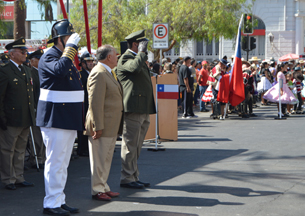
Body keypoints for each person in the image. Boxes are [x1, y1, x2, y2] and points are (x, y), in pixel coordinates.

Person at [36, 19, 82, 215]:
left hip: (67, 117)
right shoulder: (50, 56)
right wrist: (70, 48)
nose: (72, 41)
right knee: (55, 162)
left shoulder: (64, 57)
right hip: (55, 118)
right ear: (60, 39)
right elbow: (59, 70)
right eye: (68, 38)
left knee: (63, 163)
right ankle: (51, 203)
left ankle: (58, 199)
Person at [116, 30, 156, 189]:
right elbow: (133, 68)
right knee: (130, 145)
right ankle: (127, 177)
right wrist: (141, 52)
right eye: (143, 44)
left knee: (137, 146)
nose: (146, 47)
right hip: (133, 108)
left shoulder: (137, 58)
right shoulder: (126, 57)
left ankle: (133, 175)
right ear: (135, 44)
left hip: (142, 108)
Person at [84, 45, 123, 201]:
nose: (117, 57)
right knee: (99, 159)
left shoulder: (107, 72)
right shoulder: (99, 73)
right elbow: (95, 102)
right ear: (108, 57)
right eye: (115, 55)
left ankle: (103, 186)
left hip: (110, 124)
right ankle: (97, 189)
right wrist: (97, 126)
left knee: (105, 159)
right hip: (102, 125)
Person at [0, 38, 36, 190]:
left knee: (21, 149)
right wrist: (2, 118)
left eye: (26, 51)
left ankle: (19, 176)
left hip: (25, 117)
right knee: (8, 150)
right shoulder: (4, 70)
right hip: (11, 118)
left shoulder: (27, 70)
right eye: (22, 52)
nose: (25, 54)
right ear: (12, 54)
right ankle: (8, 179)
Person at [28, 49, 45, 169]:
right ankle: (36, 159)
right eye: (38, 59)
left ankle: (42, 157)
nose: (41, 61)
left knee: (43, 135)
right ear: (32, 61)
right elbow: (32, 93)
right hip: (35, 108)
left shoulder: (42, 72)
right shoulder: (30, 73)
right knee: (36, 136)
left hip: (43, 108)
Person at [77, 51, 95, 157]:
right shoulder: (80, 74)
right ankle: (82, 149)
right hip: (84, 104)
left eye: (91, 61)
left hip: (90, 103)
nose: (91, 63)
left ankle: (87, 148)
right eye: (88, 61)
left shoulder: (91, 73)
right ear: (83, 63)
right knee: (83, 127)